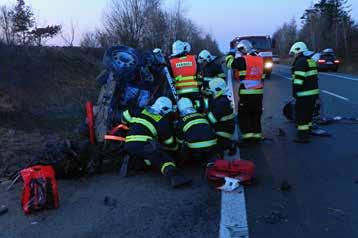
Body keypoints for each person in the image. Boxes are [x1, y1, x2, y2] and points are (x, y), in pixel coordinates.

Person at [121, 97, 191, 188]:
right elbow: (170, 143)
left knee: (150, 158)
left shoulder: (141, 110)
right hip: (145, 144)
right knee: (163, 158)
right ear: (164, 109)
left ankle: (134, 162)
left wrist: (127, 124)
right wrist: (176, 149)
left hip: (128, 143)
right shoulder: (162, 121)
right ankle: (175, 177)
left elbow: (125, 114)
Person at [225, 40, 265, 145]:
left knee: (244, 116)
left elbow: (229, 63)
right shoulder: (260, 59)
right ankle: (257, 137)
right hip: (258, 93)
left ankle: (248, 139)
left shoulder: (244, 60)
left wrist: (232, 52)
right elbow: (263, 76)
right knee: (256, 116)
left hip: (246, 94)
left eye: (241, 50)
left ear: (244, 49)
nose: (241, 52)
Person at [289, 42, 320, 143]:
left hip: (304, 94)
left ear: (298, 51)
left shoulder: (300, 62)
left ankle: (303, 136)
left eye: (294, 53)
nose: (294, 56)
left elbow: (298, 80)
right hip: (313, 93)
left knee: (301, 115)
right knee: (309, 114)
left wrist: (295, 92)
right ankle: (308, 131)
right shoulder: (310, 60)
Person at [176, 97, 218, 164]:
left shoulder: (181, 121)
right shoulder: (202, 115)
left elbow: (179, 140)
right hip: (212, 144)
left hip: (195, 148)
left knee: (183, 143)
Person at [206, 78, 237, 155]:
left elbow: (211, 119)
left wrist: (201, 122)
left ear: (217, 90)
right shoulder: (222, 99)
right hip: (224, 127)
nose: (210, 93)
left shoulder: (221, 103)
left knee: (211, 145)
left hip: (223, 131)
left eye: (211, 91)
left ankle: (230, 144)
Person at [169, 40, 203, 109]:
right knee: (196, 108)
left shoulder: (171, 62)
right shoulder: (193, 59)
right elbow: (200, 75)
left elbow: (170, 79)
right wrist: (200, 88)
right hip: (194, 91)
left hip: (180, 92)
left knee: (183, 109)